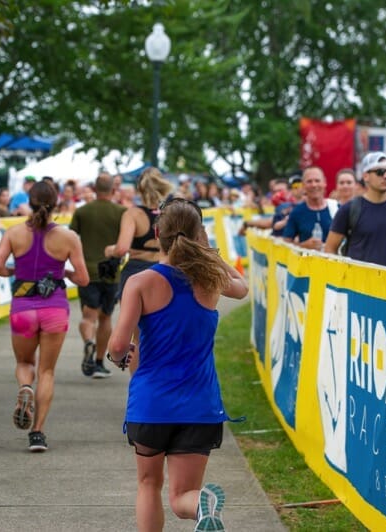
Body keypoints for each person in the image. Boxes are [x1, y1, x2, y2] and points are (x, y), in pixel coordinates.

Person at [106, 198, 248, 532]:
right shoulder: (211, 279)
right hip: (200, 404)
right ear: (200, 235)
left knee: (148, 485)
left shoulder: (140, 283)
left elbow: (116, 344)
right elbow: (241, 288)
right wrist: (212, 255)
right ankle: (202, 506)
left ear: (157, 233)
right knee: (183, 495)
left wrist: (118, 356)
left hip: (152, 402)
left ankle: (202, 508)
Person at [0, 181, 89, 452]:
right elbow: (83, 278)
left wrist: (15, 272)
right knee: (46, 371)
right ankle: (37, 433)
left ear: (29, 202)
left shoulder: (14, 233)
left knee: (25, 363)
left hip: (23, 309)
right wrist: (64, 273)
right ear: (56, 203)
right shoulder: (68, 237)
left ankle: (25, 387)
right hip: (54, 309)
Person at [103, 167, 173, 371]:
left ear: (139, 190)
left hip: (136, 272)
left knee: (137, 337)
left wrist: (110, 250)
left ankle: (139, 389)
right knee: (164, 333)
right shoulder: (172, 212)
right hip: (164, 271)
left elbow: (123, 248)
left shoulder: (133, 213)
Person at [69, 173, 126, 378]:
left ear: (93, 189)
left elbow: (72, 237)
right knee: (106, 317)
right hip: (111, 272)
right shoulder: (122, 212)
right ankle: (100, 362)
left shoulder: (82, 212)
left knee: (88, 315)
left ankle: (88, 342)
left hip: (87, 270)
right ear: (113, 190)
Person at [324, 151, 386, 270]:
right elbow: (330, 248)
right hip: (357, 285)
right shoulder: (349, 209)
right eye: (379, 172)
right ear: (366, 176)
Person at [282, 166, 338, 250]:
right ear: (303, 186)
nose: (314, 185)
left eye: (317, 181)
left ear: (324, 183)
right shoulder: (296, 212)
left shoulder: (337, 208)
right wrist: (303, 246)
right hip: (307, 261)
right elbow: (285, 245)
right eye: (309, 181)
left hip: (336, 262)